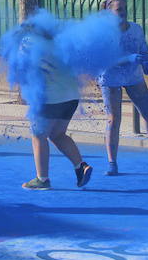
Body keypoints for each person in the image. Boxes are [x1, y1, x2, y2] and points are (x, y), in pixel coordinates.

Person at [98, 0, 148, 176]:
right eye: (118, 9)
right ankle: (112, 162)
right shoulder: (103, 33)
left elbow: (143, 49)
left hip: (133, 77)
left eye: (124, 9)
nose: (123, 13)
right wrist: (129, 58)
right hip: (110, 78)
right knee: (113, 120)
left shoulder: (136, 29)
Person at [17, 21, 93, 190]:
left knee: (38, 135)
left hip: (50, 97)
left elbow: (21, 67)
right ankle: (81, 167)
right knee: (58, 135)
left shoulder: (29, 41)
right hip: (71, 97)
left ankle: (42, 179)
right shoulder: (61, 42)